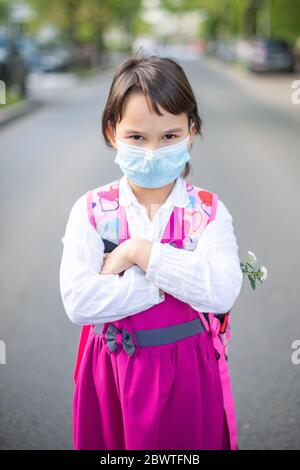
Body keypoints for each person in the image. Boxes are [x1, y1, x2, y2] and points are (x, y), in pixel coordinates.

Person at [59, 49, 243, 450]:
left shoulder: (209, 211)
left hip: (188, 373)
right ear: (112, 132)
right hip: (111, 372)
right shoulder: (90, 210)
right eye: (137, 137)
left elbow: (221, 290)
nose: (153, 151)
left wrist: (139, 253)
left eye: (170, 136)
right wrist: (166, 284)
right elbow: (79, 302)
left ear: (191, 130)